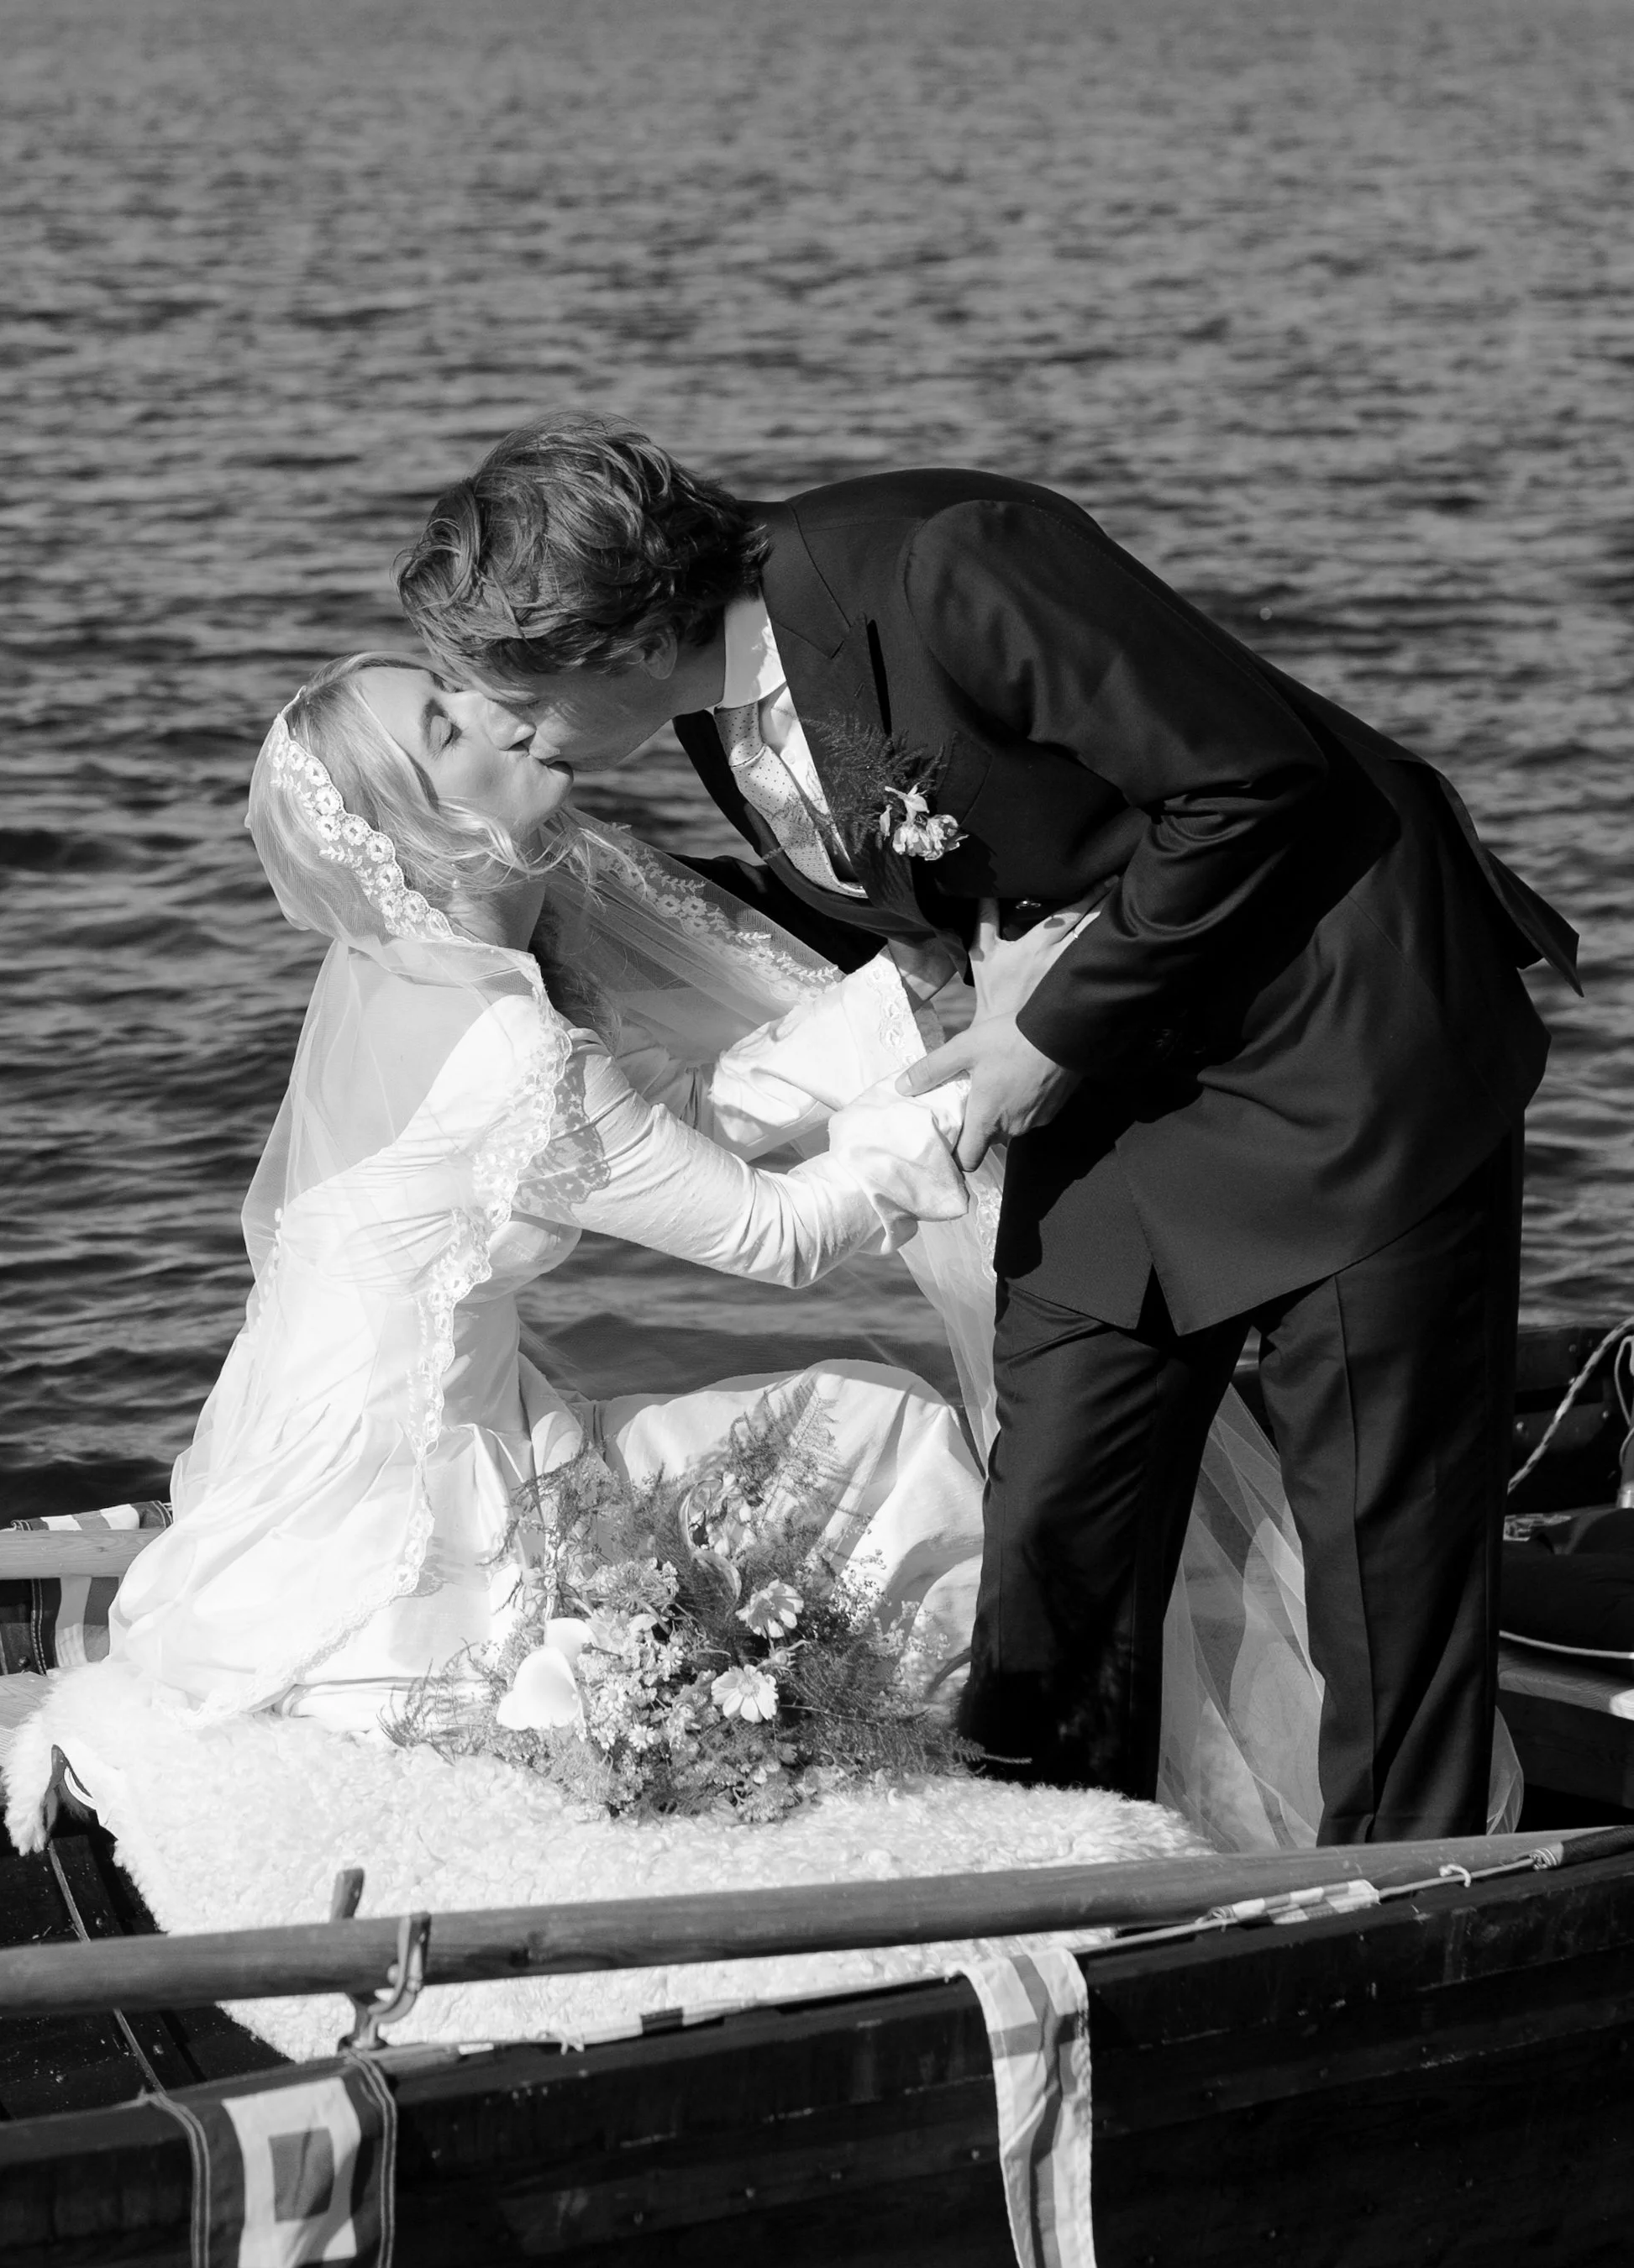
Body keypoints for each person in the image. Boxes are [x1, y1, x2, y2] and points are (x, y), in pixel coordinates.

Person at [395, 416, 1578, 1842]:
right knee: (1057, 1528)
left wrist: (1043, 1032)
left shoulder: (950, 561)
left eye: (512, 694)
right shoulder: (707, 700)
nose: (512, 727)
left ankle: (1413, 1924)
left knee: (1381, 1557)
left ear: (613, 642)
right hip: (1127, 1087)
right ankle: (1048, 1880)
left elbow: (1253, 780)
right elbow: (917, 897)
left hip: (1345, 1041)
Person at [103, 653, 983, 1731]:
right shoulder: (503, 1042)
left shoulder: (411, 961)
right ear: (418, 830)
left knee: (856, 1435)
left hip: (338, 1420)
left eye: (454, 687)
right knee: (895, 1427)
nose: (497, 712)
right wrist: (987, 1072)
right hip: (404, 1493)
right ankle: (980, 1739)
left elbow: (682, 1120)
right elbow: (780, 1237)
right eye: (444, 728)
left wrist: (906, 996)